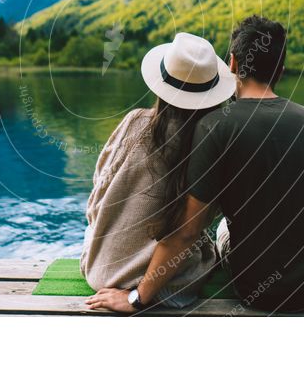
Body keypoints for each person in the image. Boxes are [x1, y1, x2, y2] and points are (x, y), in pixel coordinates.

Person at [86, 15, 304, 314]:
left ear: (233, 63)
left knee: (223, 227)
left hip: (266, 293)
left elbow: (186, 232)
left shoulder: (214, 127)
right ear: (281, 70)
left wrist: (137, 299)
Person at [80, 32, 236, 308]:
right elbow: (192, 229)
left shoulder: (133, 122)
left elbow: (98, 192)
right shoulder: (212, 142)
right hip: (168, 284)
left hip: (100, 268)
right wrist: (136, 297)